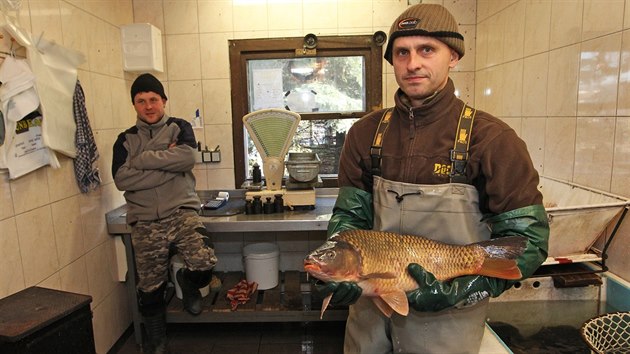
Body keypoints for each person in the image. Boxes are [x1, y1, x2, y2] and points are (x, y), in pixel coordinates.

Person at [317, 4, 550, 354]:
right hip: (369, 320)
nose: (413, 64)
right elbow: (350, 218)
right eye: (402, 52)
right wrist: (338, 266)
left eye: (427, 49)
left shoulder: (492, 139)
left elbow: (527, 240)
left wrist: (463, 289)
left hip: (448, 328)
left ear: (452, 56)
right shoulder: (364, 134)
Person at [112, 73, 217, 354]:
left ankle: (188, 283)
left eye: (153, 99)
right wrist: (167, 167)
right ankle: (157, 339)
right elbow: (122, 180)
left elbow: (186, 158)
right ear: (134, 105)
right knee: (150, 286)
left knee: (204, 261)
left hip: (181, 211)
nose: (148, 106)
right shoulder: (124, 140)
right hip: (144, 219)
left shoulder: (179, 127)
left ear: (164, 101)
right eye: (141, 100)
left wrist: (144, 161)